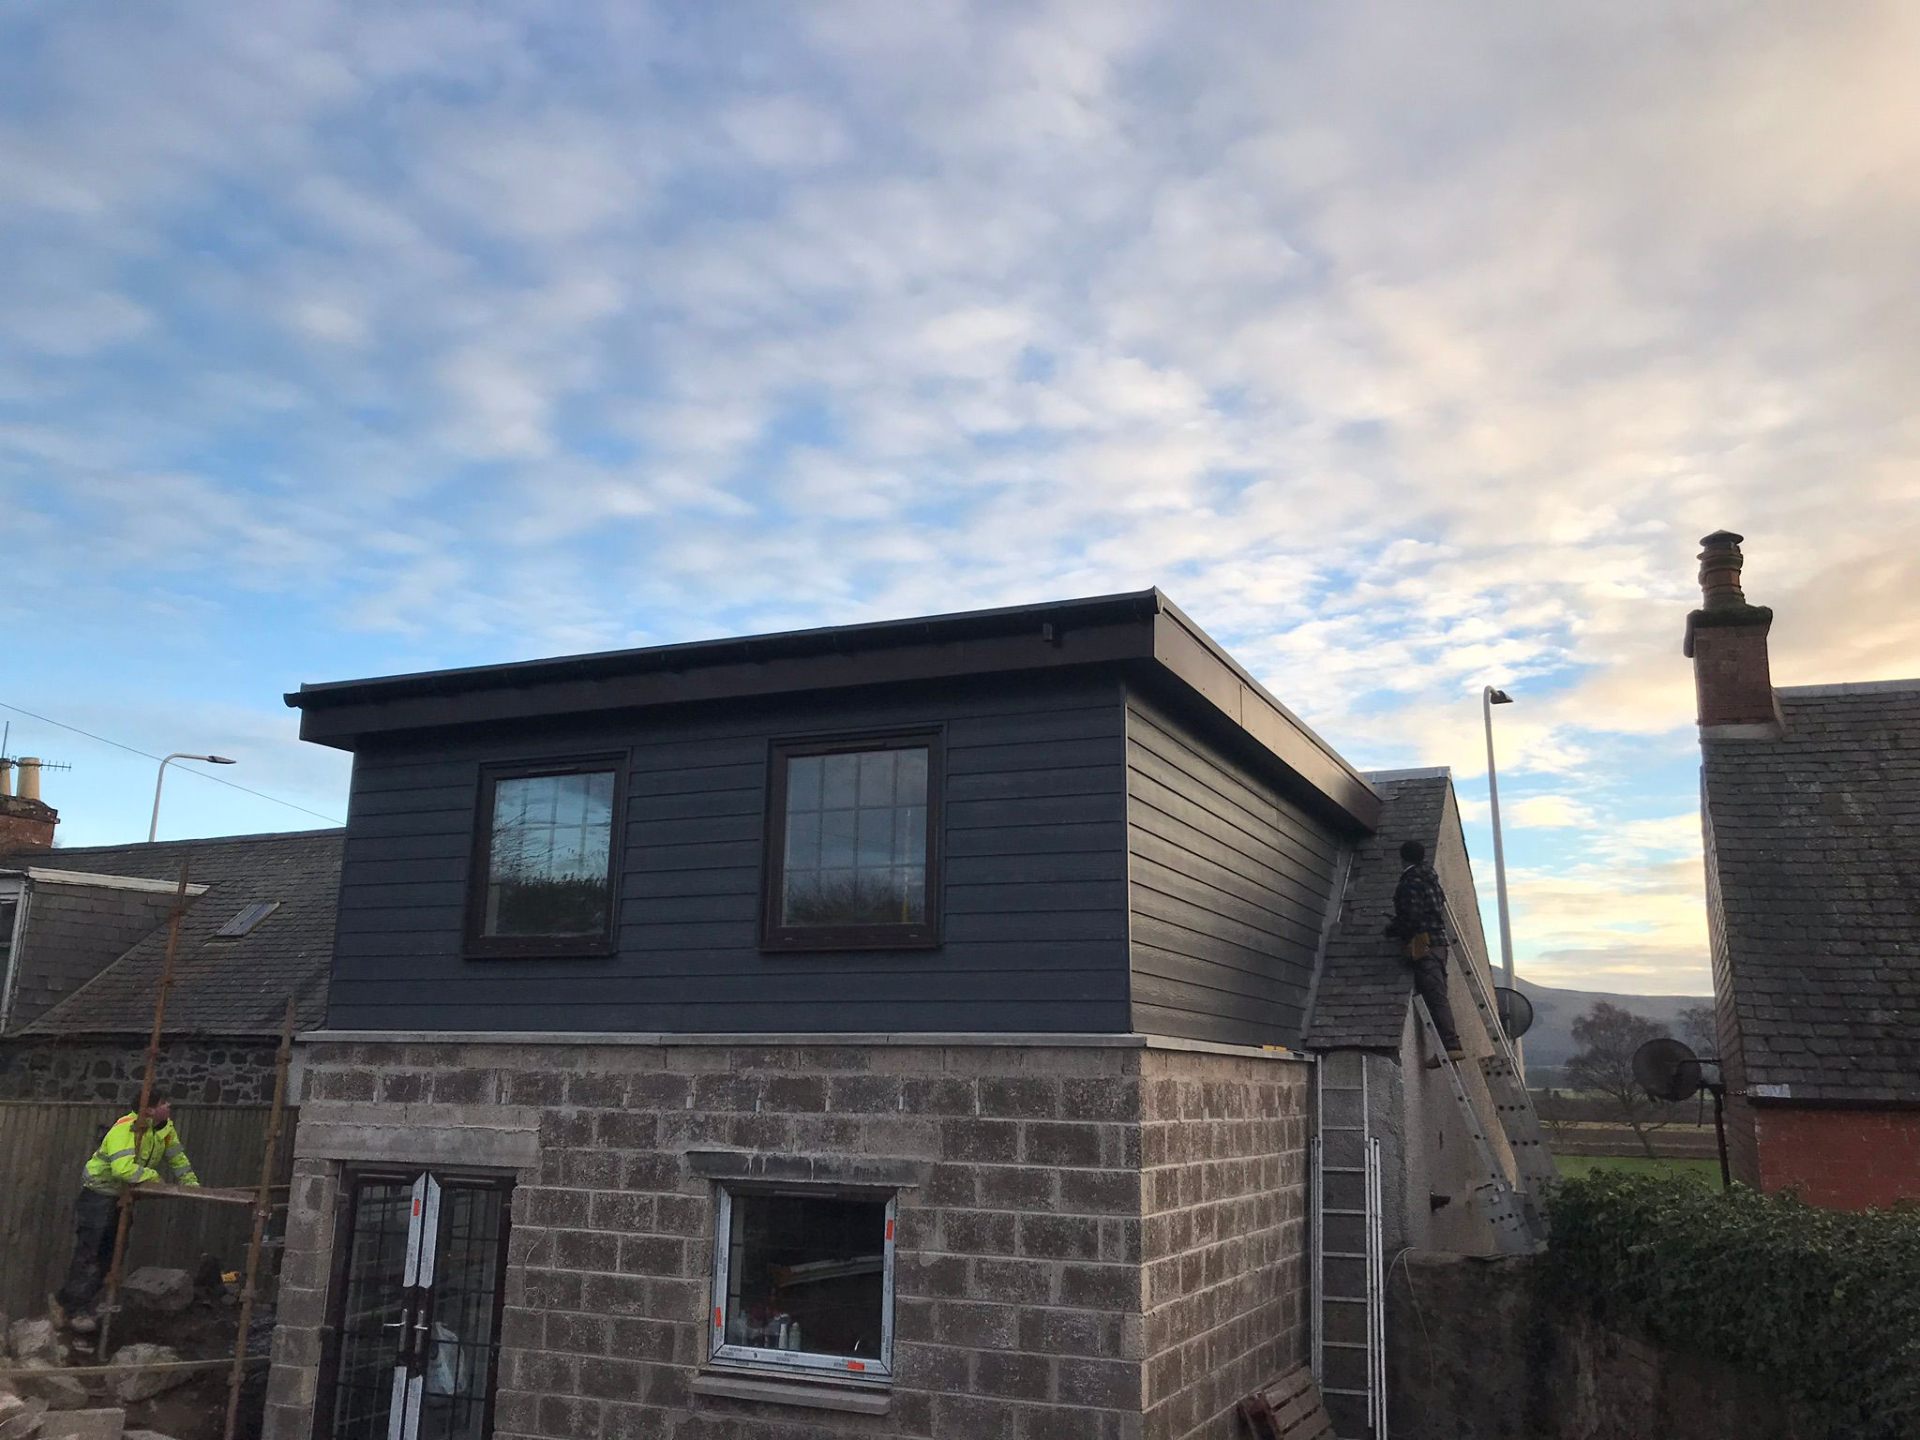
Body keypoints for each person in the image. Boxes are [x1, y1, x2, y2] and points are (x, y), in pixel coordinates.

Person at [52, 1090, 199, 1333]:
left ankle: (73, 1303)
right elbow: (123, 1169)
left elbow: (178, 1159)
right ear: (149, 1109)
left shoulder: (165, 1130)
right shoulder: (126, 1129)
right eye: (163, 1103)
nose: (169, 1106)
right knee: (91, 1252)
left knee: (111, 1254)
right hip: (100, 1194)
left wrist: (191, 1184)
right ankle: (73, 1307)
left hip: (121, 1197)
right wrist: (153, 1177)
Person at [1386, 839, 1466, 1061]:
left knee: (1434, 994)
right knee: (1439, 993)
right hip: (1439, 943)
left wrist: (1393, 929)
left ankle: (1450, 1046)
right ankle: (1448, 1045)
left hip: (1423, 942)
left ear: (1403, 858)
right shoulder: (1431, 880)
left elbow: (1412, 916)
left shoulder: (1410, 882)